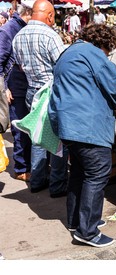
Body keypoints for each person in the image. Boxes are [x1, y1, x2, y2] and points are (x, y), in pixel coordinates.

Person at [48, 23, 116, 248]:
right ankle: (87, 231)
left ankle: (76, 222)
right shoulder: (93, 54)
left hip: (69, 124)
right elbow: (114, 86)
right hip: (86, 126)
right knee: (97, 174)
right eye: (109, 50)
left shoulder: (69, 51)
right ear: (104, 44)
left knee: (80, 173)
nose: (108, 54)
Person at [12, 0, 69, 198]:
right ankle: (58, 184)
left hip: (32, 91)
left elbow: (19, 66)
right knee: (58, 139)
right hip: (51, 92)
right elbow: (64, 65)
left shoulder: (18, 36)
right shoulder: (50, 35)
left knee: (38, 137)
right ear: (50, 16)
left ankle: (37, 180)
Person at [0, 4, 32, 182]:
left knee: (27, 129)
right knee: (19, 129)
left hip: (25, 85)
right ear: (28, 13)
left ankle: (28, 165)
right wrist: (4, 88)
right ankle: (21, 168)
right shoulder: (8, 30)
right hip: (14, 87)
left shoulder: (24, 28)